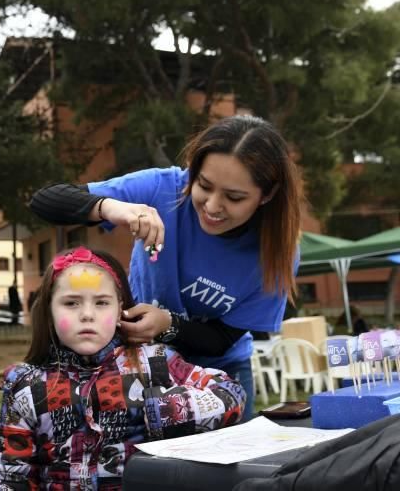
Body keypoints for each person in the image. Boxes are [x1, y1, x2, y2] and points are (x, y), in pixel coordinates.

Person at [30, 115, 302, 420]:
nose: (212, 206)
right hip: (139, 363)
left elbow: (222, 338)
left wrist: (167, 324)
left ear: (267, 194)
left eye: (234, 197)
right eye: (204, 185)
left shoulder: (276, 252)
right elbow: (45, 201)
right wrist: (113, 207)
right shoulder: (165, 189)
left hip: (220, 372)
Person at [0, 246, 245, 489]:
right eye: (71, 303)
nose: (87, 314)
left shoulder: (157, 363)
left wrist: (166, 410)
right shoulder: (27, 385)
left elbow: (231, 393)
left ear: (120, 311)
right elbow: (8, 470)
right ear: (49, 311)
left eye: (101, 302)